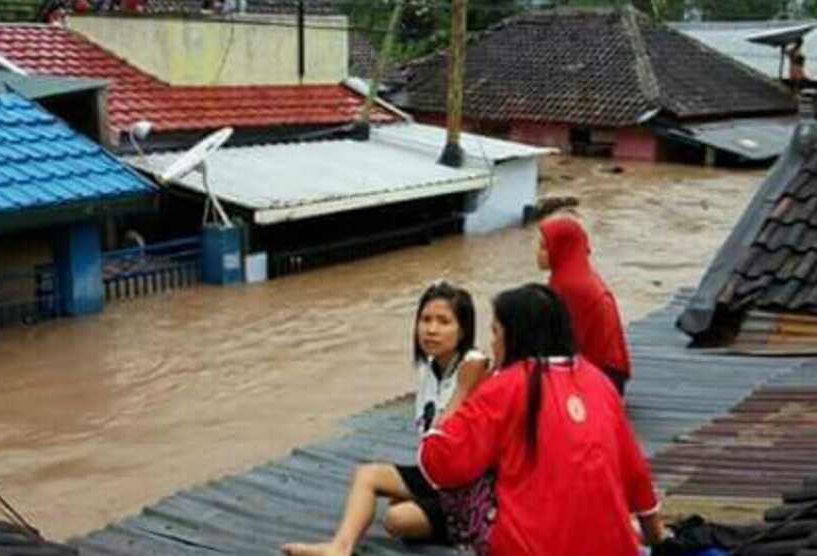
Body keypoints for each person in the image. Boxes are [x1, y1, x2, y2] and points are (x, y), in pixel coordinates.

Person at [419, 284, 664, 556]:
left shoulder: (505, 388)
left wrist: (462, 389)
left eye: (496, 332)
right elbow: (635, 472)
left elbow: (438, 462)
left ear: (516, 336)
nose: (493, 342)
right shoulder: (598, 381)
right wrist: (657, 538)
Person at [281, 281, 488, 556]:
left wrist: (463, 389)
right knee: (367, 476)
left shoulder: (473, 366)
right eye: (425, 320)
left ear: (463, 330)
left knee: (396, 519)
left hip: (466, 489)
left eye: (443, 321)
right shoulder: (430, 366)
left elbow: (445, 436)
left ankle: (464, 527)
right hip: (435, 475)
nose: (431, 329)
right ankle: (340, 548)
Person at [537, 215, 631, 395]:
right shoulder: (579, 275)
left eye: (544, 247)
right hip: (610, 371)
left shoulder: (569, 286)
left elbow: (561, 344)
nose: (538, 254)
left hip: (602, 378)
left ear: (561, 249)